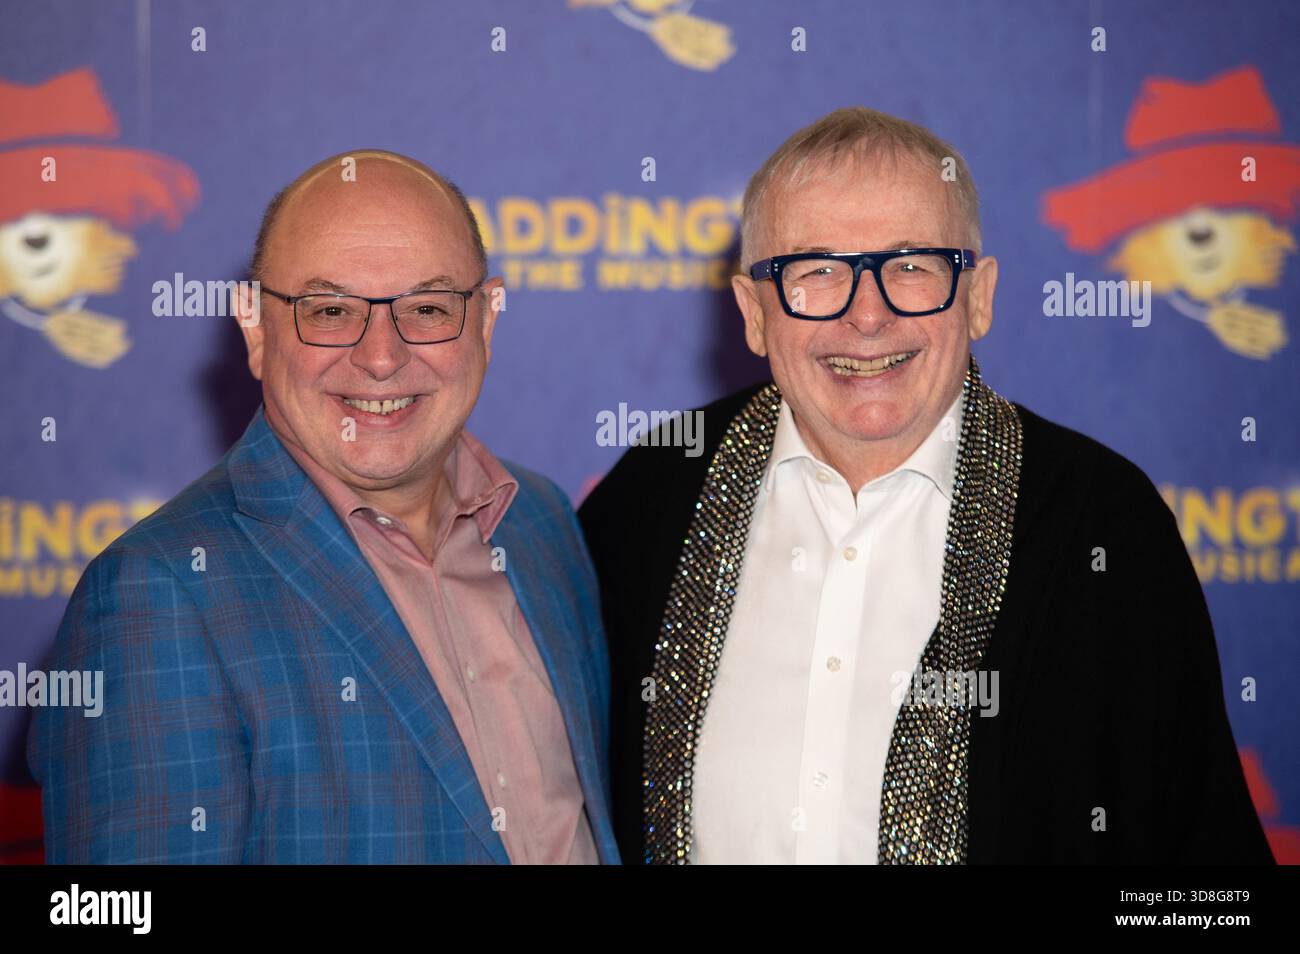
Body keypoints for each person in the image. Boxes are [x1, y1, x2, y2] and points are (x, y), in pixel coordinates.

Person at [578, 108, 1273, 865]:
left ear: (978, 294)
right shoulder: (650, 500)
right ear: (752, 312)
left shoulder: (1104, 523)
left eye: (912, 266)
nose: (867, 315)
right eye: (816, 272)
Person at [30, 150, 618, 864]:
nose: (380, 356)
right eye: (330, 310)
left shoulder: (544, 524)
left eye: (427, 308)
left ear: (486, 323)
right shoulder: (158, 594)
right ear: (254, 328)